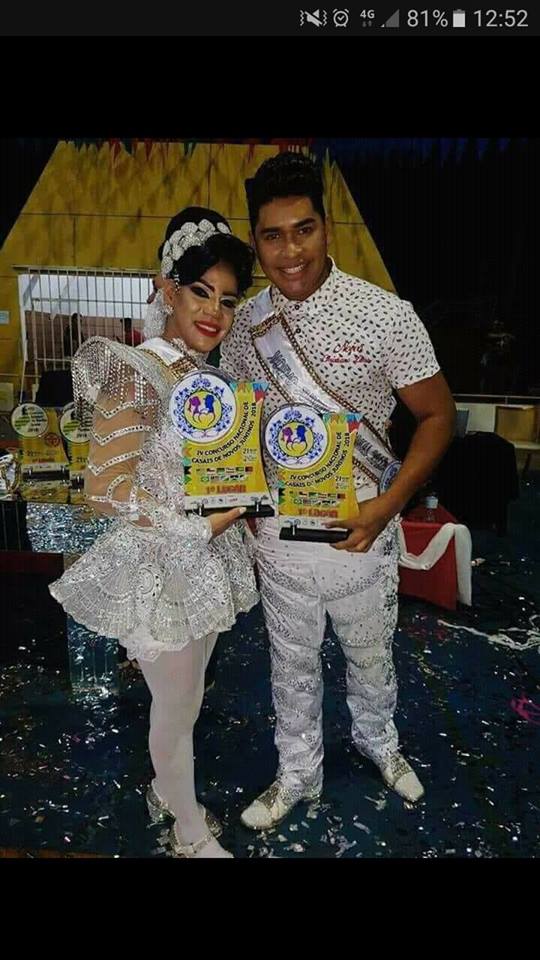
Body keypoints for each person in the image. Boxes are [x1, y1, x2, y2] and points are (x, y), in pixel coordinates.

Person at [219, 152, 456, 829]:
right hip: (280, 536)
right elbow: (236, 424)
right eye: (273, 236)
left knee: (370, 653)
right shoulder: (244, 326)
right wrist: (238, 500)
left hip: (364, 523)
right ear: (256, 240)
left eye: (305, 230)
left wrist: (389, 506)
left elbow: (438, 416)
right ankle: (297, 771)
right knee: (289, 665)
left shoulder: (384, 314)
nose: (291, 251)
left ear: (327, 227)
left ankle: (380, 743)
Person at [50, 207, 258, 857]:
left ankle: (167, 794)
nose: (214, 311)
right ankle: (189, 834)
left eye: (227, 299)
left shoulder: (211, 379)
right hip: (158, 566)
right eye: (200, 291)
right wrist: (199, 525)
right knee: (175, 705)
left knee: (187, 702)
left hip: (205, 561)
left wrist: (243, 495)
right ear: (167, 288)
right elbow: (104, 493)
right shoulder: (136, 371)